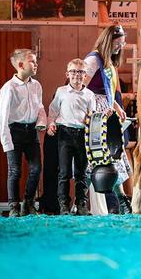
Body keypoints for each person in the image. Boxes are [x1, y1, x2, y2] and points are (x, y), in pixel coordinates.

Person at [84, 24, 132, 214]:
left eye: (122, 43)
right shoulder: (93, 60)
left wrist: (116, 106)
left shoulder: (109, 61)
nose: (120, 47)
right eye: (117, 43)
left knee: (114, 155)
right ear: (107, 41)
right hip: (95, 114)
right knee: (96, 157)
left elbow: (108, 91)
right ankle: (80, 201)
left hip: (108, 112)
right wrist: (90, 111)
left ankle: (120, 201)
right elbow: (81, 88)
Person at [0, 49, 46, 217]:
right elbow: (2, 116)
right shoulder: (9, 88)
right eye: (32, 61)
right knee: (15, 171)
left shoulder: (36, 85)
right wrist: (6, 142)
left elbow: (40, 106)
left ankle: (28, 203)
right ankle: (13, 206)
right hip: (14, 132)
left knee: (36, 168)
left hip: (31, 131)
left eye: (36, 61)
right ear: (20, 65)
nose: (36, 64)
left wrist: (41, 122)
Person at [46, 58, 94, 215]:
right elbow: (53, 110)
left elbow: (92, 116)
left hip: (82, 135)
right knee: (64, 172)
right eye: (73, 71)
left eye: (81, 72)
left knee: (82, 172)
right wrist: (50, 123)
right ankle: (64, 205)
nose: (77, 75)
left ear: (85, 75)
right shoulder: (61, 91)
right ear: (67, 74)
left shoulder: (89, 95)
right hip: (64, 134)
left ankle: (81, 204)